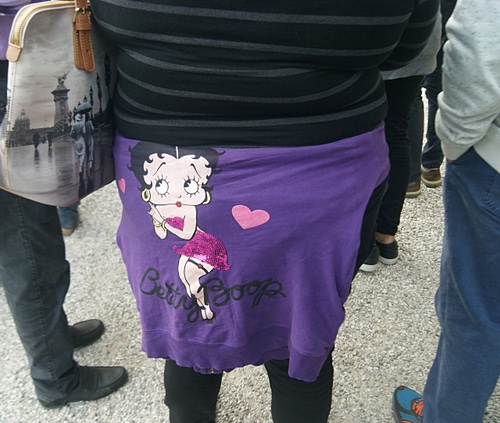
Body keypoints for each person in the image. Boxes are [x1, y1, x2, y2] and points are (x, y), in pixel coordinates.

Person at [91, 0, 438, 421]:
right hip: (323, 172)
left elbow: (102, 24)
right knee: (301, 330)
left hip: (162, 153)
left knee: (190, 321)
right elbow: (404, 50)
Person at [0, 1, 128, 408]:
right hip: (12, 72)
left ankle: (51, 333)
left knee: (36, 239)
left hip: (19, 68)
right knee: (27, 250)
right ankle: (56, 379)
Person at [393, 0, 500, 421]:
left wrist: (454, 146)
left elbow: (481, 50)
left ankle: (444, 414)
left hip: (493, 165)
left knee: (476, 311)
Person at [360, 16, 441, 271]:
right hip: (419, 40)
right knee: (396, 133)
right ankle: (386, 236)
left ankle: (365, 241)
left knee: (360, 137)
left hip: (372, 44)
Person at [406, 0, 458, 198]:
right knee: (438, 94)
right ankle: (432, 165)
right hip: (450, 20)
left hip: (421, 22)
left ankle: (411, 178)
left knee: (412, 97)